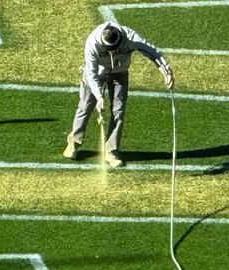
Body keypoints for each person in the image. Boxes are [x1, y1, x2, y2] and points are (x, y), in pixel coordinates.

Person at [64, 22, 174, 168]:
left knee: (118, 111)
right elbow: (91, 73)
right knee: (85, 107)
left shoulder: (131, 37)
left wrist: (167, 72)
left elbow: (152, 52)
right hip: (97, 73)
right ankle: (74, 143)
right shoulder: (92, 42)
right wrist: (99, 96)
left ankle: (111, 151)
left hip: (120, 72)